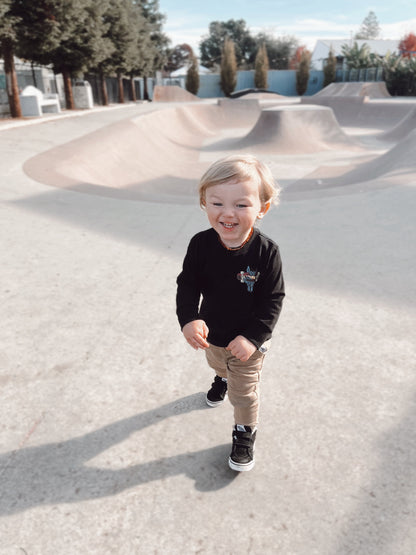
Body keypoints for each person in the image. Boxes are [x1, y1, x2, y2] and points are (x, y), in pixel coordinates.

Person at [176, 154, 285, 472]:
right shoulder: (200, 244)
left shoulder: (267, 253)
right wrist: (188, 318)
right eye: (217, 203)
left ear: (261, 209)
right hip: (214, 336)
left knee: (244, 393)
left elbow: (273, 300)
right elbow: (188, 284)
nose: (227, 214)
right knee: (217, 362)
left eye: (241, 205)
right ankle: (221, 377)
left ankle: (244, 432)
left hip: (250, 344)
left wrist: (252, 337)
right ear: (204, 203)